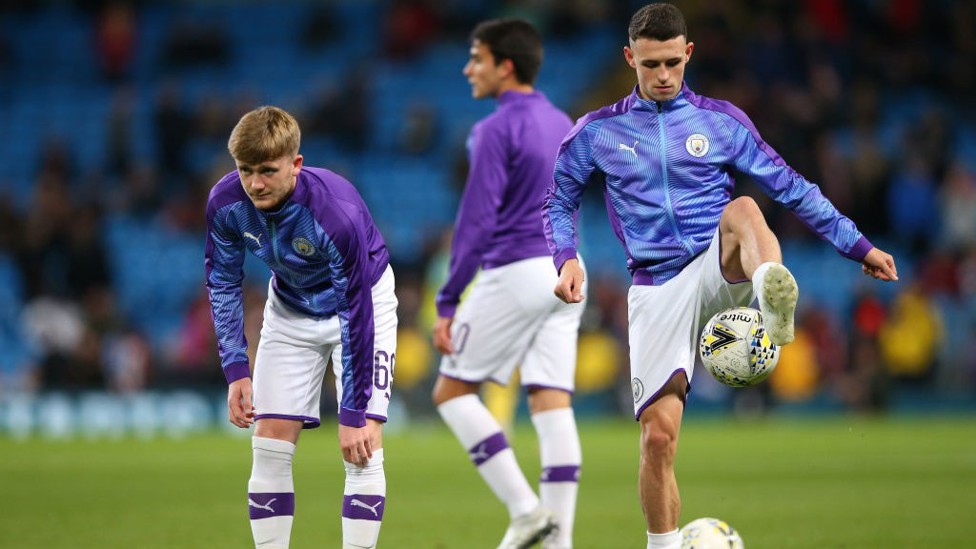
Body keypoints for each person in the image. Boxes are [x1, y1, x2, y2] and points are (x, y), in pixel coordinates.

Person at [542, 5, 898, 549]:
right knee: (658, 440)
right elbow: (558, 198)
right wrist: (566, 257)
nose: (663, 75)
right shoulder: (597, 132)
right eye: (650, 64)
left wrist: (858, 245)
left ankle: (770, 302)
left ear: (688, 54)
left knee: (746, 211)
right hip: (656, 287)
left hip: (718, 264)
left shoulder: (721, 122)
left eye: (672, 63)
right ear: (629, 57)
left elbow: (792, 186)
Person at [205, 106, 397, 549]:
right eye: (246, 170)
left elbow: (356, 312)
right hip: (291, 309)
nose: (255, 184)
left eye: (268, 171)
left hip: (365, 305)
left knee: (362, 447)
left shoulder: (336, 213)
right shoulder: (225, 203)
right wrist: (236, 368)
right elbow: (222, 281)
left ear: (296, 164)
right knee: (269, 445)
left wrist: (353, 412)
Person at [431, 18, 585, 549]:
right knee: (551, 401)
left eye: (477, 58)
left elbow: (475, 221)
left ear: (506, 65)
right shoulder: (561, 120)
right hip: (566, 272)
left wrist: (449, 299)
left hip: (516, 268)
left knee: (451, 391)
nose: (467, 68)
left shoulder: (494, 130)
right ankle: (557, 540)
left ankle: (525, 512)